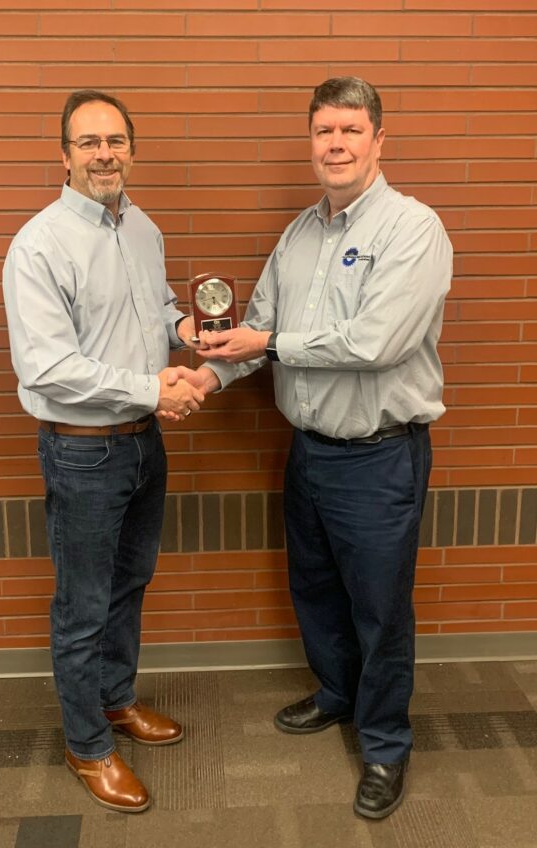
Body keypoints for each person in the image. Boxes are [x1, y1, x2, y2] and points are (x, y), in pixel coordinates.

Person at [193, 76, 452, 819]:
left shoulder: (412, 229)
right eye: (323, 132)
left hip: (379, 458)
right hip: (308, 453)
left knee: (379, 609)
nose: (335, 144)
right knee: (314, 590)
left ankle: (383, 745)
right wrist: (205, 381)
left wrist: (266, 342)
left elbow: (373, 342)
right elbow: (257, 329)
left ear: (378, 140)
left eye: (350, 130)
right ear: (310, 142)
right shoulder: (300, 233)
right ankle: (339, 696)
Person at [2, 89, 205, 813]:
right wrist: (154, 389)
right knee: (82, 607)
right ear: (63, 156)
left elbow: (152, 310)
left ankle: (116, 700)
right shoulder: (39, 244)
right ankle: (87, 745)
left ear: (131, 149)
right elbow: (49, 370)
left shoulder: (141, 226)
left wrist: (188, 331)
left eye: (115, 140)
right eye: (88, 143)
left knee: (129, 586)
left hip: (142, 447)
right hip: (83, 453)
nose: (104, 154)